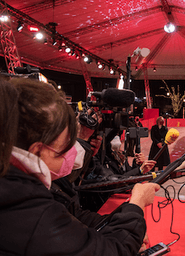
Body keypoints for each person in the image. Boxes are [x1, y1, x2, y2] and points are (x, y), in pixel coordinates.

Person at [0, 78, 160, 255]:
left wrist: (123, 228)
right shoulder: (26, 212)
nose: (73, 151)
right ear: (38, 151)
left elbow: (72, 216)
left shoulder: (27, 184)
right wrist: (137, 205)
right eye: (66, 145)